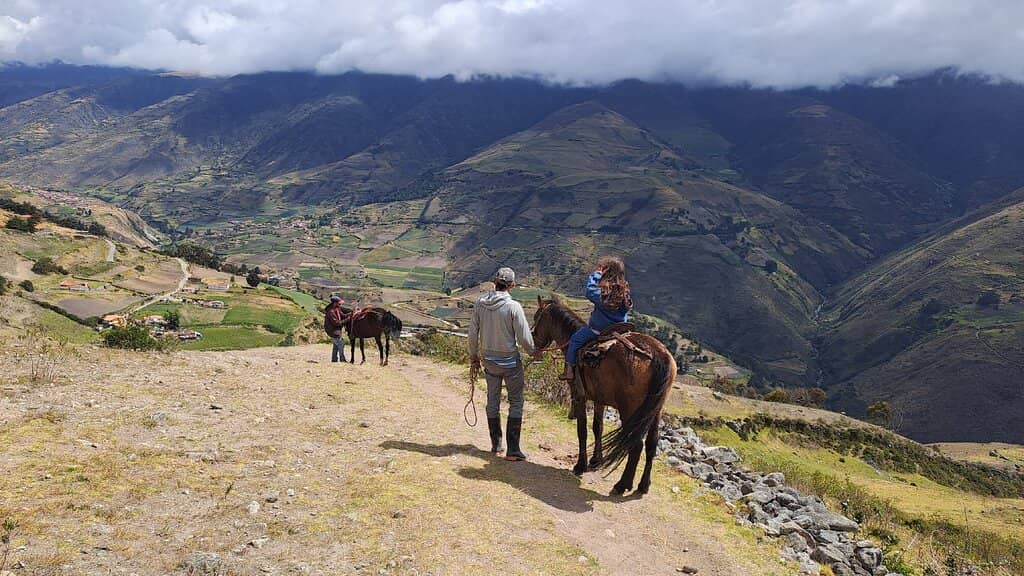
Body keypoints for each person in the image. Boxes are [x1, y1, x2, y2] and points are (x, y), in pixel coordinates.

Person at [468, 267, 537, 461]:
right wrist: (534, 352)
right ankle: (513, 450)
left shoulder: (480, 303)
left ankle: (496, 445)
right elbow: (524, 337)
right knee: (516, 401)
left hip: (489, 360)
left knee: (492, 400)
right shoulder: (513, 306)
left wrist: (474, 356)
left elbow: (473, 333)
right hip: (510, 362)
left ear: (494, 281)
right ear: (512, 285)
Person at [560, 256, 634, 383]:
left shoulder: (604, 294)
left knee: (575, 340)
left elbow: (589, 291)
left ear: (607, 272)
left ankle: (569, 371)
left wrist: (596, 275)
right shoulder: (624, 291)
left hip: (600, 330)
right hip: (621, 329)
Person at [323, 295, 350, 363]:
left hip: (336, 329)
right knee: (341, 343)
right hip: (332, 330)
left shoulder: (337, 308)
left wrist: (350, 314)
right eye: (339, 303)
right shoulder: (331, 311)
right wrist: (347, 319)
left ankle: (334, 359)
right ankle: (342, 359)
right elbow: (337, 323)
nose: (340, 304)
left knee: (336, 344)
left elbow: (342, 315)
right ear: (334, 303)